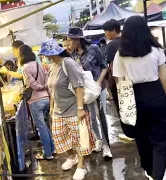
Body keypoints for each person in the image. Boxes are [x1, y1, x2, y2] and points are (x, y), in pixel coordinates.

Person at [113, 16, 166, 180]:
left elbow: (119, 81)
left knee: (142, 137)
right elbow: (164, 78)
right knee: (161, 140)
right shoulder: (156, 50)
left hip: (134, 97)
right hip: (156, 94)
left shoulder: (120, 55)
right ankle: (157, 176)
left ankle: (149, 170)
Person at [40, 39, 95, 180]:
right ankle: (72, 156)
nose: (46, 56)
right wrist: (52, 107)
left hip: (73, 108)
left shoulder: (68, 63)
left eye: (47, 54)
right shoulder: (53, 66)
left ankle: (81, 166)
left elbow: (79, 86)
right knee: (60, 137)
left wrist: (80, 108)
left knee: (80, 138)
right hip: (59, 110)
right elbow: (52, 90)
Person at [67, 27, 112, 160]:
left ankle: (106, 146)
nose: (69, 42)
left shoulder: (93, 48)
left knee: (100, 115)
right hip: (85, 90)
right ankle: (98, 140)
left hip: (98, 87)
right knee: (91, 117)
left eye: (71, 39)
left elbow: (104, 66)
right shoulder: (73, 54)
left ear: (78, 39)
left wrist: (98, 82)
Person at [19, 44, 55, 160]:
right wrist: (45, 89)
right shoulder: (39, 65)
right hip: (46, 99)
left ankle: (48, 154)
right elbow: (47, 82)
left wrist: (40, 87)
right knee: (44, 126)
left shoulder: (25, 68)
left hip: (36, 101)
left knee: (41, 127)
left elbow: (32, 85)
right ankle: (53, 149)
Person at [102, 19, 135, 141]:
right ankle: (136, 131)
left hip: (119, 81)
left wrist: (115, 84)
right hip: (133, 79)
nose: (105, 34)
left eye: (107, 31)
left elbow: (112, 66)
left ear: (114, 30)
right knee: (133, 105)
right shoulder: (130, 41)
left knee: (122, 106)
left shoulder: (112, 45)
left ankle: (129, 133)